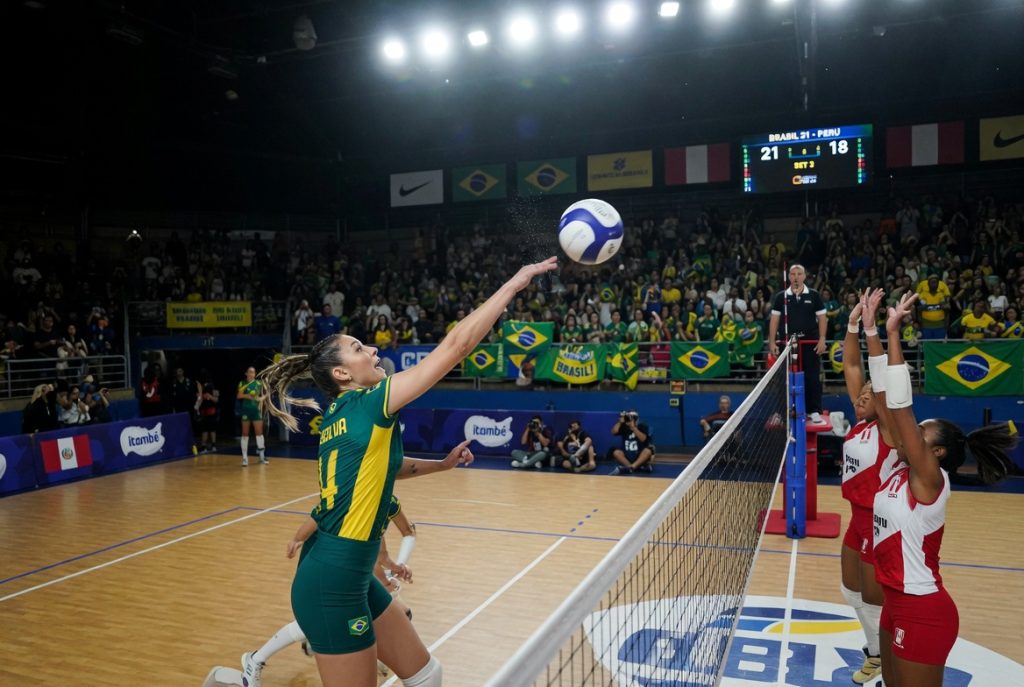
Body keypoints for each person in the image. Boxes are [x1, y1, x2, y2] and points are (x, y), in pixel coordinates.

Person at [253, 256, 556, 687]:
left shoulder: (342, 414)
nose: (373, 351)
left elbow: (387, 468)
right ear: (342, 374)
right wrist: (514, 284)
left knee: (427, 676)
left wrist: (443, 465)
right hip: (332, 580)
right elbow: (456, 347)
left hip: (350, 571)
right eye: (359, 349)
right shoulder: (369, 403)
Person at [872, 291, 1016, 687]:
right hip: (893, 603)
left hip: (922, 610)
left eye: (920, 433)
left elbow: (901, 408)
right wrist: (870, 332)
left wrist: (895, 334)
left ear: (935, 453)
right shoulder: (898, 467)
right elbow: (885, 402)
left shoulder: (930, 480)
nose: (910, 433)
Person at [237, 494, 421, 687]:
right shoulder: (348, 502)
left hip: (347, 569)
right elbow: (314, 525)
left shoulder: (383, 504)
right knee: (318, 621)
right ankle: (255, 660)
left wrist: (397, 568)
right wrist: (297, 539)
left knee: (392, 614)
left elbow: (380, 554)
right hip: (323, 568)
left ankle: (325, 642)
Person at [838, 289, 900, 685]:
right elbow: (850, 363)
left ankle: (883, 655)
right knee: (850, 590)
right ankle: (877, 648)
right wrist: (852, 324)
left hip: (877, 523)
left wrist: (876, 330)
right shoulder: (862, 421)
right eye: (859, 395)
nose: (860, 398)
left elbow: (878, 381)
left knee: (874, 598)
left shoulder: (891, 431)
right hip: (855, 517)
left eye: (867, 395)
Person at [768, 264, 828, 425]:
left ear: (804, 276)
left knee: (812, 377)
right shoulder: (781, 297)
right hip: (787, 344)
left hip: (810, 343)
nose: (796, 277)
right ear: (789, 277)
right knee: (784, 379)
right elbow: (774, 320)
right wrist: (772, 342)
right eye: (793, 274)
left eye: (799, 274)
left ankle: (814, 411)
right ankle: (782, 412)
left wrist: (822, 339)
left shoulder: (814, 295)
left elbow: (822, 318)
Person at [237, 366, 266, 466]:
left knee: (259, 433)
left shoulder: (259, 383)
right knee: (245, 434)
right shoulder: (242, 383)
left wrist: (261, 398)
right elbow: (238, 395)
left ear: (255, 374)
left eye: (253, 372)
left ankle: (262, 457)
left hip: (256, 411)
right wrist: (247, 396)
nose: (251, 374)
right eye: (249, 372)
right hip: (246, 410)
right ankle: (245, 458)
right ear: (246, 373)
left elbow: (263, 395)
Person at [610, 409, 654, 474]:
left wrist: (633, 428)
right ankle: (634, 468)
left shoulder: (642, 426)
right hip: (627, 454)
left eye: (632, 418)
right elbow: (613, 432)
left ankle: (630, 468)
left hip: (639, 454)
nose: (630, 419)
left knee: (647, 451)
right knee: (616, 453)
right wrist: (619, 422)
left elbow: (643, 439)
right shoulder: (624, 426)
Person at [198, 380, 220, 452]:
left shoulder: (214, 391)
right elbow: (199, 402)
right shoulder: (201, 393)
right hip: (204, 414)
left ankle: (214, 446)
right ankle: (204, 447)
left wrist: (210, 396)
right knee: (204, 430)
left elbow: (216, 400)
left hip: (212, 413)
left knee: (212, 430)